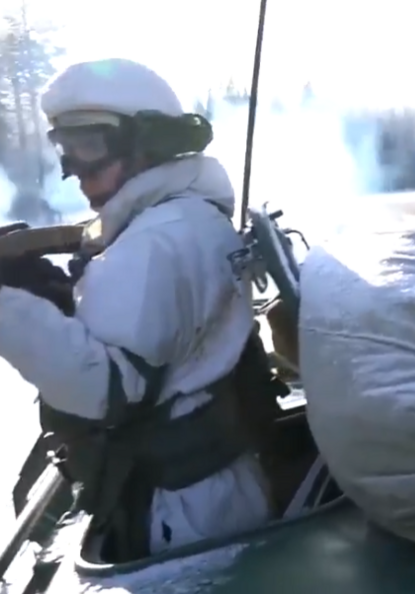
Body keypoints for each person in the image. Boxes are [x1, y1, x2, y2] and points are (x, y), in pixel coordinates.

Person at [0, 58, 285, 560]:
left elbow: (104, 387)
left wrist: (11, 308)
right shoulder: (183, 218)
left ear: (149, 142)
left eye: (90, 146)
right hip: (206, 495)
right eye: (66, 149)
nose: (75, 170)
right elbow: (151, 333)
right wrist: (59, 303)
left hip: (181, 514)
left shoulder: (158, 239)